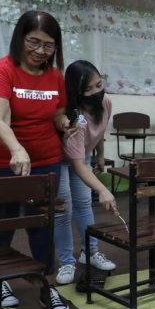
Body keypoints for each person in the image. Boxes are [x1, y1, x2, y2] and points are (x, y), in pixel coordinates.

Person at [0, 10, 73, 309]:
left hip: (45, 159)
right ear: (20, 38)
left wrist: (64, 122)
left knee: (42, 222)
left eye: (48, 45)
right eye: (34, 41)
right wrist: (17, 149)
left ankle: (46, 284)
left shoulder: (55, 76)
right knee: (3, 219)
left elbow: (56, 111)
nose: (40, 51)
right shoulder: (2, 70)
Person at [54, 60, 117, 285]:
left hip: (85, 155)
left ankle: (90, 252)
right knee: (63, 209)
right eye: (88, 89)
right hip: (61, 160)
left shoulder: (106, 101)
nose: (96, 92)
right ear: (76, 92)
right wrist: (103, 189)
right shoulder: (76, 118)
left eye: (99, 84)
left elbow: (100, 131)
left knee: (83, 203)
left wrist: (99, 154)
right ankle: (66, 262)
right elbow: (78, 166)